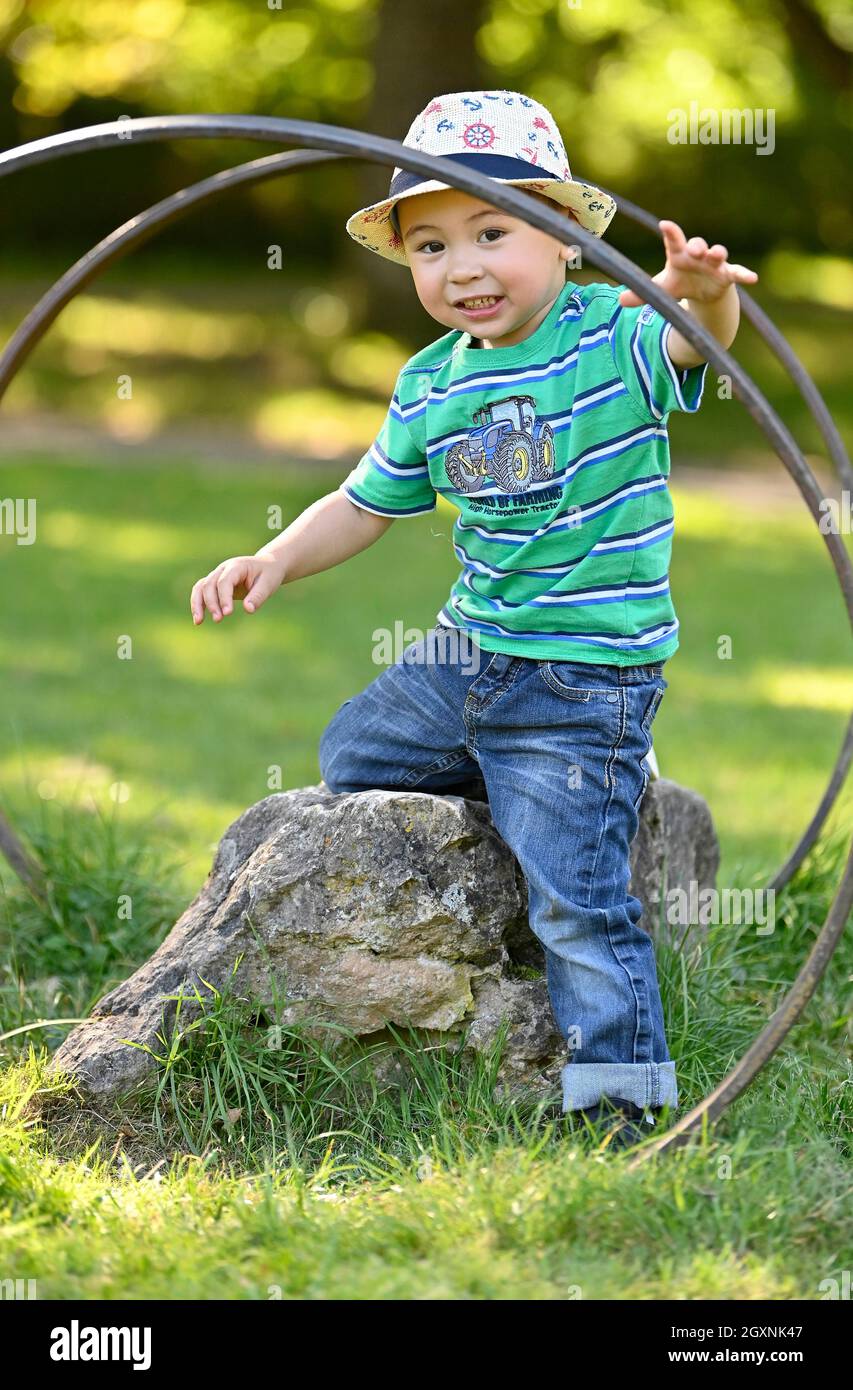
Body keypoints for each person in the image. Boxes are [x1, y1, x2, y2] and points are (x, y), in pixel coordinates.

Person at [190, 89, 758, 1151]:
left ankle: (622, 1094)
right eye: (432, 245)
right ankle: (524, 779)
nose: (464, 268)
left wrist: (696, 298)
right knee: (353, 749)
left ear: (564, 240)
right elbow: (364, 503)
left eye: (494, 233)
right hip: (469, 649)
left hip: (582, 673)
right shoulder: (428, 381)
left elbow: (692, 351)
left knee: (577, 900)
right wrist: (271, 557)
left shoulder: (609, 337)